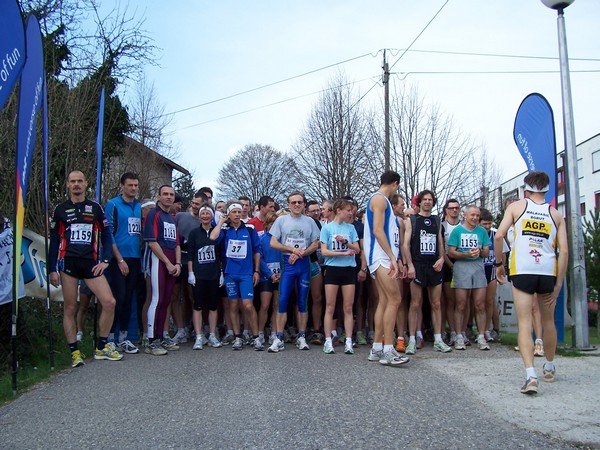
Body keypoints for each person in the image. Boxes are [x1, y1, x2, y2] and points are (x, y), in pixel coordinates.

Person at [495, 171, 567, 395]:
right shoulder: (555, 214)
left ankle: (531, 375)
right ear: (546, 189)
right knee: (548, 321)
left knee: (525, 323)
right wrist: (558, 283)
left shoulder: (516, 207)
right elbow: (564, 251)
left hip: (523, 269)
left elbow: (498, 236)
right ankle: (549, 366)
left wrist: (499, 263)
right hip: (547, 271)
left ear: (526, 190)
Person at [48, 170, 123, 367]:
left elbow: (107, 235)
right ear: (67, 185)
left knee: (109, 302)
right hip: (69, 264)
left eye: (80, 181)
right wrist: (52, 268)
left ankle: (101, 348)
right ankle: (75, 353)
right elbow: (54, 241)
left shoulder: (95, 207)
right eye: (73, 181)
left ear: (86, 183)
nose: (76, 184)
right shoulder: (60, 209)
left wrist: (106, 260)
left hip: (91, 264)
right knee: (70, 307)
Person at [363, 171, 410, 366]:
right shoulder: (379, 200)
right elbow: (377, 230)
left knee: (384, 301)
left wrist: (395, 257)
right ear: (395, 184)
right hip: (379, 256)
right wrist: (391, 257)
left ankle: (376, 348)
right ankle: (388, 350)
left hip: (382, 256)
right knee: (395, 299)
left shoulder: (382, 201)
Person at [268, 192, 320, 352]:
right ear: (288, 204)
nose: (296, 205)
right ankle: (278, 338)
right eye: (293, 202)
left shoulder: (310, 221)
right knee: (283, 300)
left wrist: (301, 253)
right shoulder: (281, 220)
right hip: (288, 264)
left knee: (302, 301)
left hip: (303, 264)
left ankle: (301, 336)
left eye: (299, 202)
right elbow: (273, 243)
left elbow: (316, 243)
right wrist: (292, 250)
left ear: (304, 204)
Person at [403, 190, 452, 354]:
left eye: (430, 199)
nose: (427, 202)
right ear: (419, 202)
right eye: (424, 199)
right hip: (418, 265)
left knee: (436, 303)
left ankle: (438, 339)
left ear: (433, 202)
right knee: (415, 303)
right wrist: (410, 265)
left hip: (434, 266)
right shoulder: (412, 220)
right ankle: (412, 340)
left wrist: (441, 258)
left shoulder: (437, 220)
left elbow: (440, 242)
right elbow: (405, 245)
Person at [210, 202, 263, 351]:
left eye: (239, 212)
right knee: (233, 305)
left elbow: (257, 251)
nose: (237, 214)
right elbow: (213, 237)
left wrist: (256, 271)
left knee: (248, 305)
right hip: (230, 273)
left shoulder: (249, 228)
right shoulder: (224, 229)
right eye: (234, 212)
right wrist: (221, 221)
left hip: (246, 273)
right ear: (229, 214)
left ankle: (256, 337)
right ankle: (237, 337)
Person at [104, 172, 142, 354]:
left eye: (136, 185)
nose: (133, 188)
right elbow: (108, 234)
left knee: (128, 298)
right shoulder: (113, 204)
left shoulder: (139, 206)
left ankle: (124, 337)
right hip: (118, 258)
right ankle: (110, 337)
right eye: (130, 185)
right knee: (118, 297)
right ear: (122, 186)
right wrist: (119, 259)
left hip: (135, 257)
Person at [143, 185, 182, 356]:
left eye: (171, 194)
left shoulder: (172, 218)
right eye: (165, 194)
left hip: (173, 262)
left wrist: (178, 263)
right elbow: (152, 242)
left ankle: (161, 336)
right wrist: (167, 262)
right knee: (157, 299)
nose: (168, 197)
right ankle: (151, 340)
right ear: (158, 196)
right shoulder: (154, 214)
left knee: (166, 300)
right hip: (159, 260)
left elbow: (177, 243)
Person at [447, 205, 490, 351]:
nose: (475, 218)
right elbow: (451, 252)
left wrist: (480, 251)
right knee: (461, 304)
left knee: (480, 304)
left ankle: (481, 336)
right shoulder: (457, 231)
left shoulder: (482, 231)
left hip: (478, 267)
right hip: (462, 267)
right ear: (465, 216)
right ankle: (459, 335)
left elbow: (486, 251)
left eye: (477, 215)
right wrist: (466, 254)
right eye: (472, 215)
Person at [320, 199, 360, 354]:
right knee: (330, 306)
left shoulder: (351, 228)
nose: (350, 213)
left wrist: (345, 242)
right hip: (332, 269)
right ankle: (328, 340)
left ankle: (349, 340)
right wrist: (342, 253)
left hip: (348, 269)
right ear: (338, 210)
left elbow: (357, 249)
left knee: (348, 307)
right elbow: (324, 251)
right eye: (348, 210)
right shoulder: (327, 228)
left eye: (351, 210)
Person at [187, 205, 223, 349]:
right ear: (199, 216)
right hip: (199, 274)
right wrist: (190, 273)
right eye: (203, 213)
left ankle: (212, 334)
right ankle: (199, 336)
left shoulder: (218, 232)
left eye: (208, 213)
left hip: (214, 274)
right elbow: (190, 255)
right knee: (198, 305)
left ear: (212, 216)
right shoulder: (194, 233)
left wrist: (221, 273)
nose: (205, 216)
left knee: (213, 306)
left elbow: (220, 255)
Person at [256, 212, 281, 345]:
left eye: (275, 223)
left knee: (277, 305)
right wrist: (269, 274)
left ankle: (274, 332)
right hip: (266, 277)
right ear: (266, 225)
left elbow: (285, 257)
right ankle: (260, 332)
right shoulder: (261, 239)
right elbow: (259, 259)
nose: (273, 226)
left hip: (280, 276)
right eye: (270, 223)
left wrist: (281, 273)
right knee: (265, 305)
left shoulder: (282, 239)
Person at [441, 198, 461, 345]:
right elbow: (441, 248)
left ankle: (461, 331)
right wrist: (450, 265)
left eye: (457, 208)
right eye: (451, 208)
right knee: (448, 300)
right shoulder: (442, 226)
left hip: (463, 263)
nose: (454, 210)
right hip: (446, 264)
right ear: (446, 210)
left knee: (462, 301)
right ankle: (449, 331)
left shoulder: (464, 225)